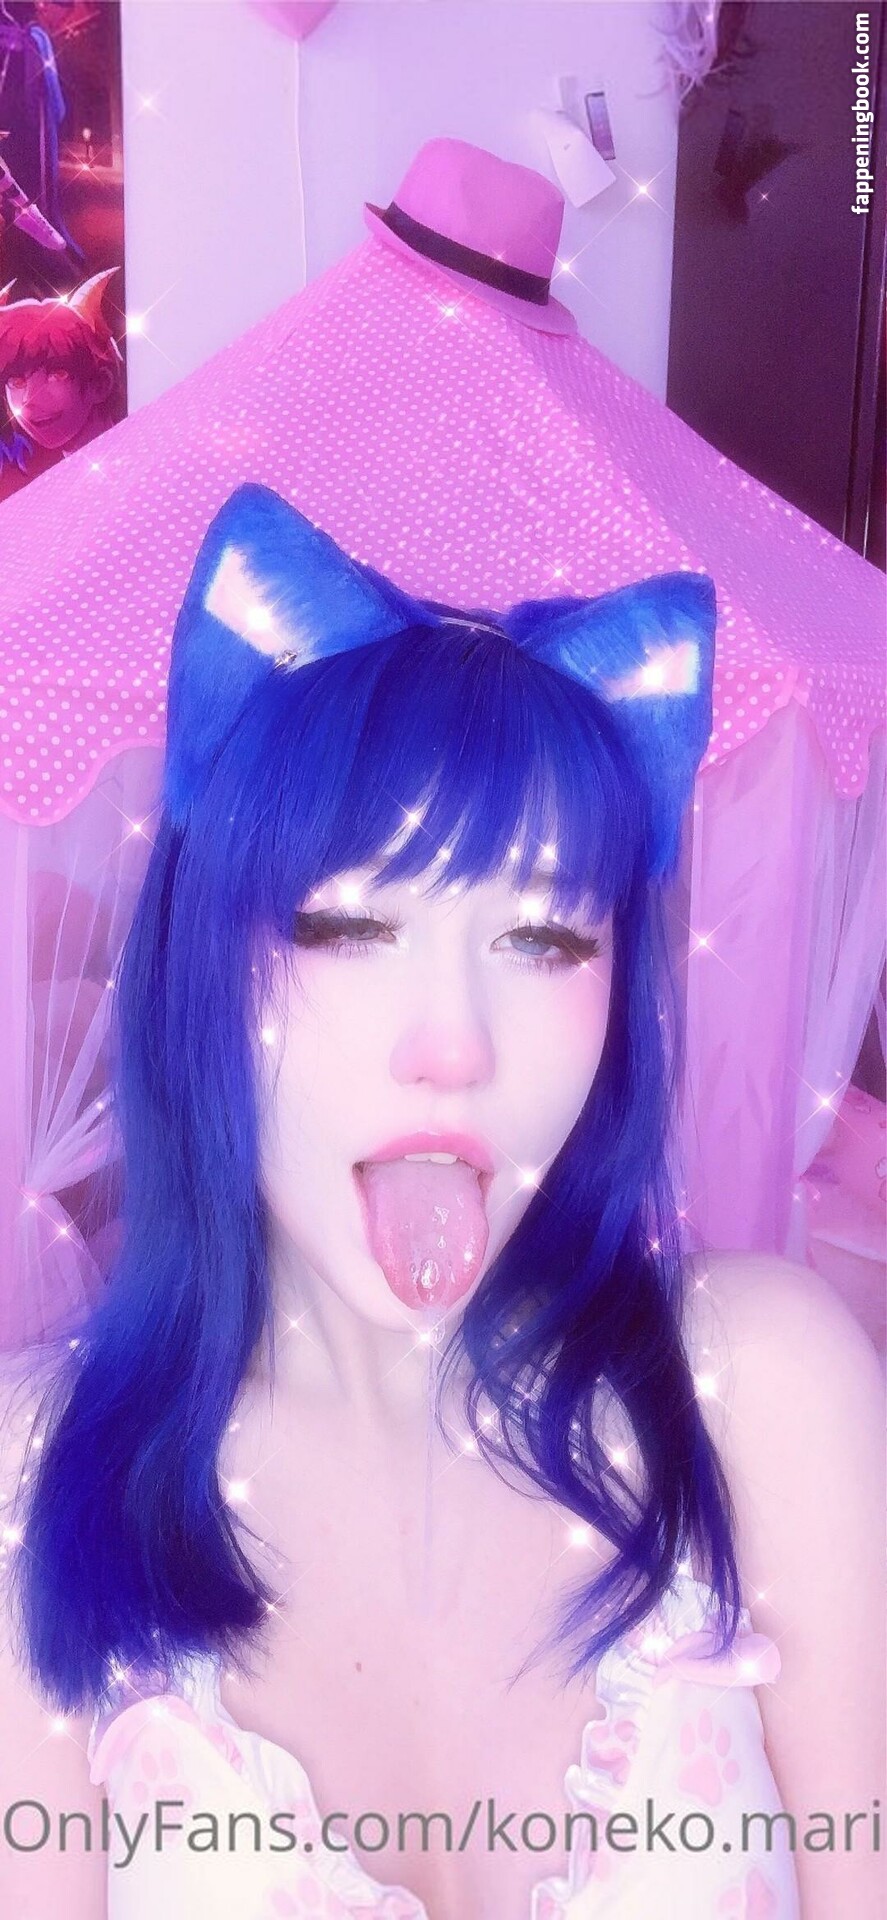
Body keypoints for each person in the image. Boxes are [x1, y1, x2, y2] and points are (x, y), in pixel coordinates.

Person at [0, 483, 882, 1919]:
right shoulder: (35, 1483)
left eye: (544, 940)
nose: (455, 1046)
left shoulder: (761, 1389)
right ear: (197, 965)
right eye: (350, 925)